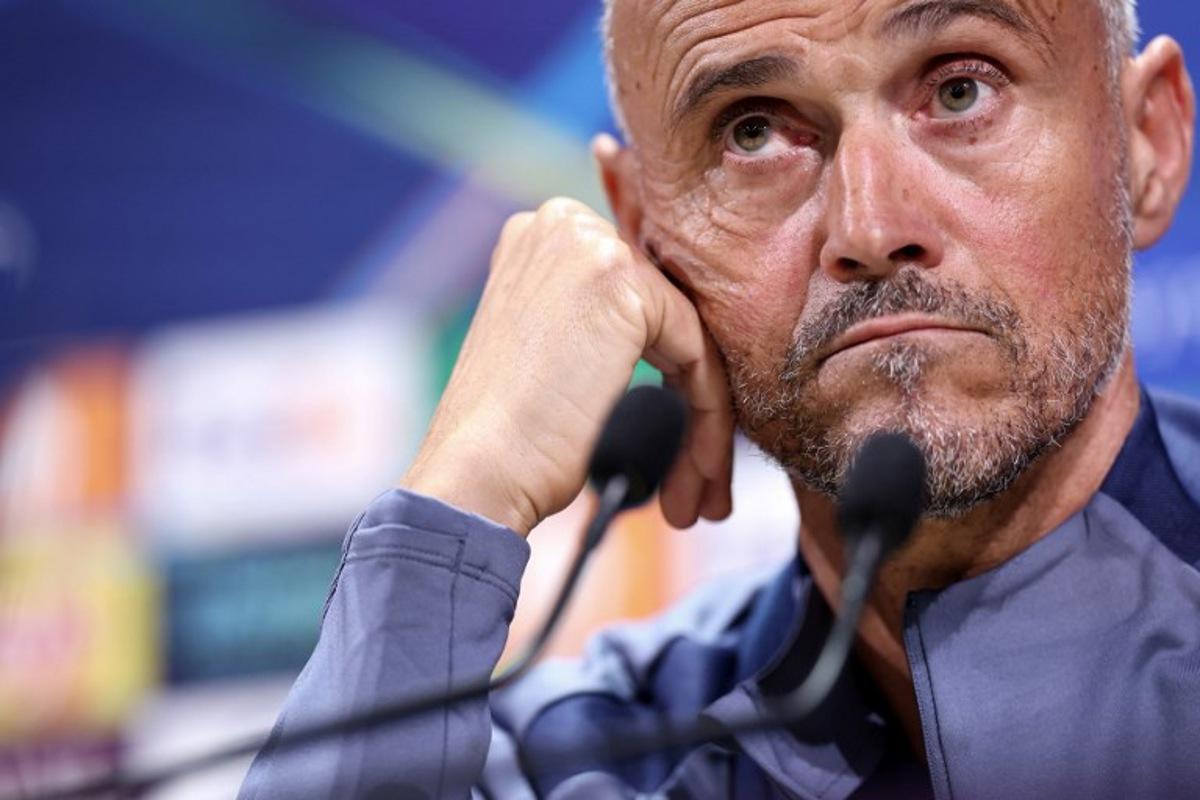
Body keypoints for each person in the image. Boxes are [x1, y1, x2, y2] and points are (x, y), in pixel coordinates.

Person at [239, 0, 1198, 797]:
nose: (870, 227)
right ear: (641, 234)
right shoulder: (586, 760)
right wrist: (467, 484)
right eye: (753, 132)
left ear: (1147, 142)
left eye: (960, 90)